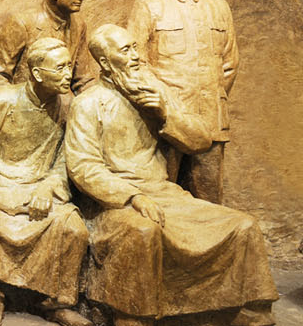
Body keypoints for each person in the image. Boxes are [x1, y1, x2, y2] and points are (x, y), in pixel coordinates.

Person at [67, 25, 278, 326]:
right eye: (125, 51)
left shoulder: (156, 90)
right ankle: (132, 315)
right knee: (142, 232)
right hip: (112, 202)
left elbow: (200, 140)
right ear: (105, 62)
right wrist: (132, 196)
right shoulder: (87, 104)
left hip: (164, 194)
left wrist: (165, 114)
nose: (136, 56)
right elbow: (83, 166)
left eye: (134, 47)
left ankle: (243, 310)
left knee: (242, 226)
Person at [0, 38, 92, 326]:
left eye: (69, 66)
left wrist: (48, 186)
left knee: (73, 228)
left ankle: (53, 303)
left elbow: (66, 161)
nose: (68, 74)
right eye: (60, 68)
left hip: (39, 187)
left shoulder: (69, 107)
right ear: (38, 73)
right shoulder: (1, 100)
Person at [121, 0, 239, 202]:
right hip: (165, 124)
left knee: (210, 204)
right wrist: (165, 108)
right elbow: (134, 63)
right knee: (163, 201)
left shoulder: (219, 7)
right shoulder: (148, 6)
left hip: (211, 122)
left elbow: (230, 64)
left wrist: (210, 98)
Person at [0, 0, 87, 92]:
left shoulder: (79, 25)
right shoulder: (22, 23)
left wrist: (96, 102)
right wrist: (13, 102)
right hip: (24, 101)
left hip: (61, 102)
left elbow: (83, 79)